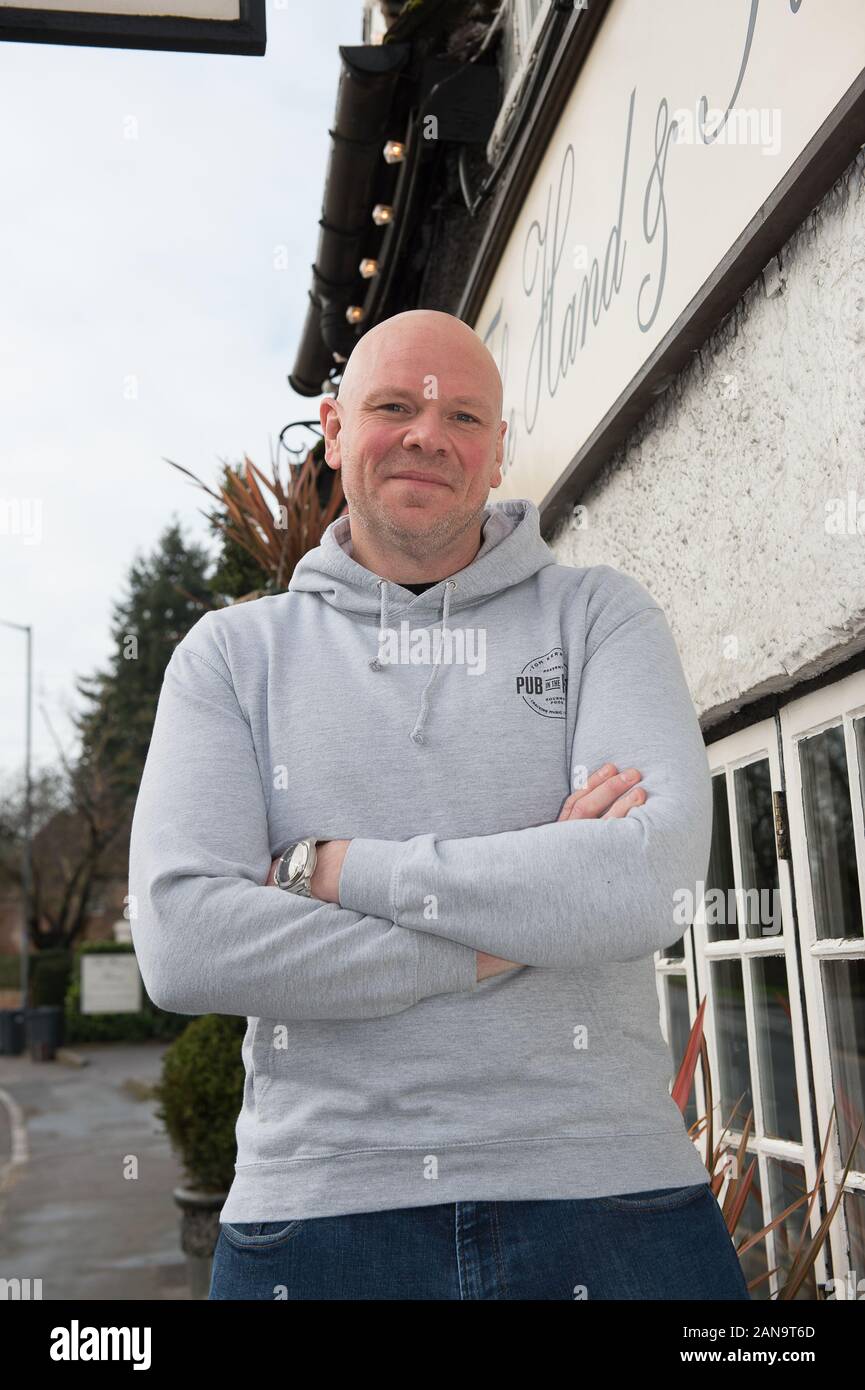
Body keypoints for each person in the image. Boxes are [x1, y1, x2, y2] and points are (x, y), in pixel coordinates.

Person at [128, 309, 750, 1301]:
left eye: (463, 414)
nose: (427, 432)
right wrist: (504, 931)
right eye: (392, 405)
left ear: (497, 451)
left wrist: (333, 869)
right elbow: (184, 942)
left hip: (611, 1201)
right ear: (332, 429)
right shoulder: (231, 657)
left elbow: (642, 886)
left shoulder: (599, 617)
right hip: (318, 1217)